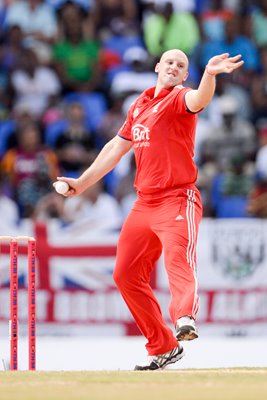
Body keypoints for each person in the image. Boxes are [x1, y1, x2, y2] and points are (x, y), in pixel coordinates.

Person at [54, 49, 243, 370]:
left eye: (181, 65)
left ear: (184, 75)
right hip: (145, 202)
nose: (174, 67)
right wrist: (82, 183)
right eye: (169, 62)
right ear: (158, 67)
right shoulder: (139, 104)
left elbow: (199, 100)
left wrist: (209, 75)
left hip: (177, 198)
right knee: (125, 274)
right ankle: (163, 346)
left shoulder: (181, 97)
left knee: (177, 257)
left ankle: (185, 316)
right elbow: (116, 147)